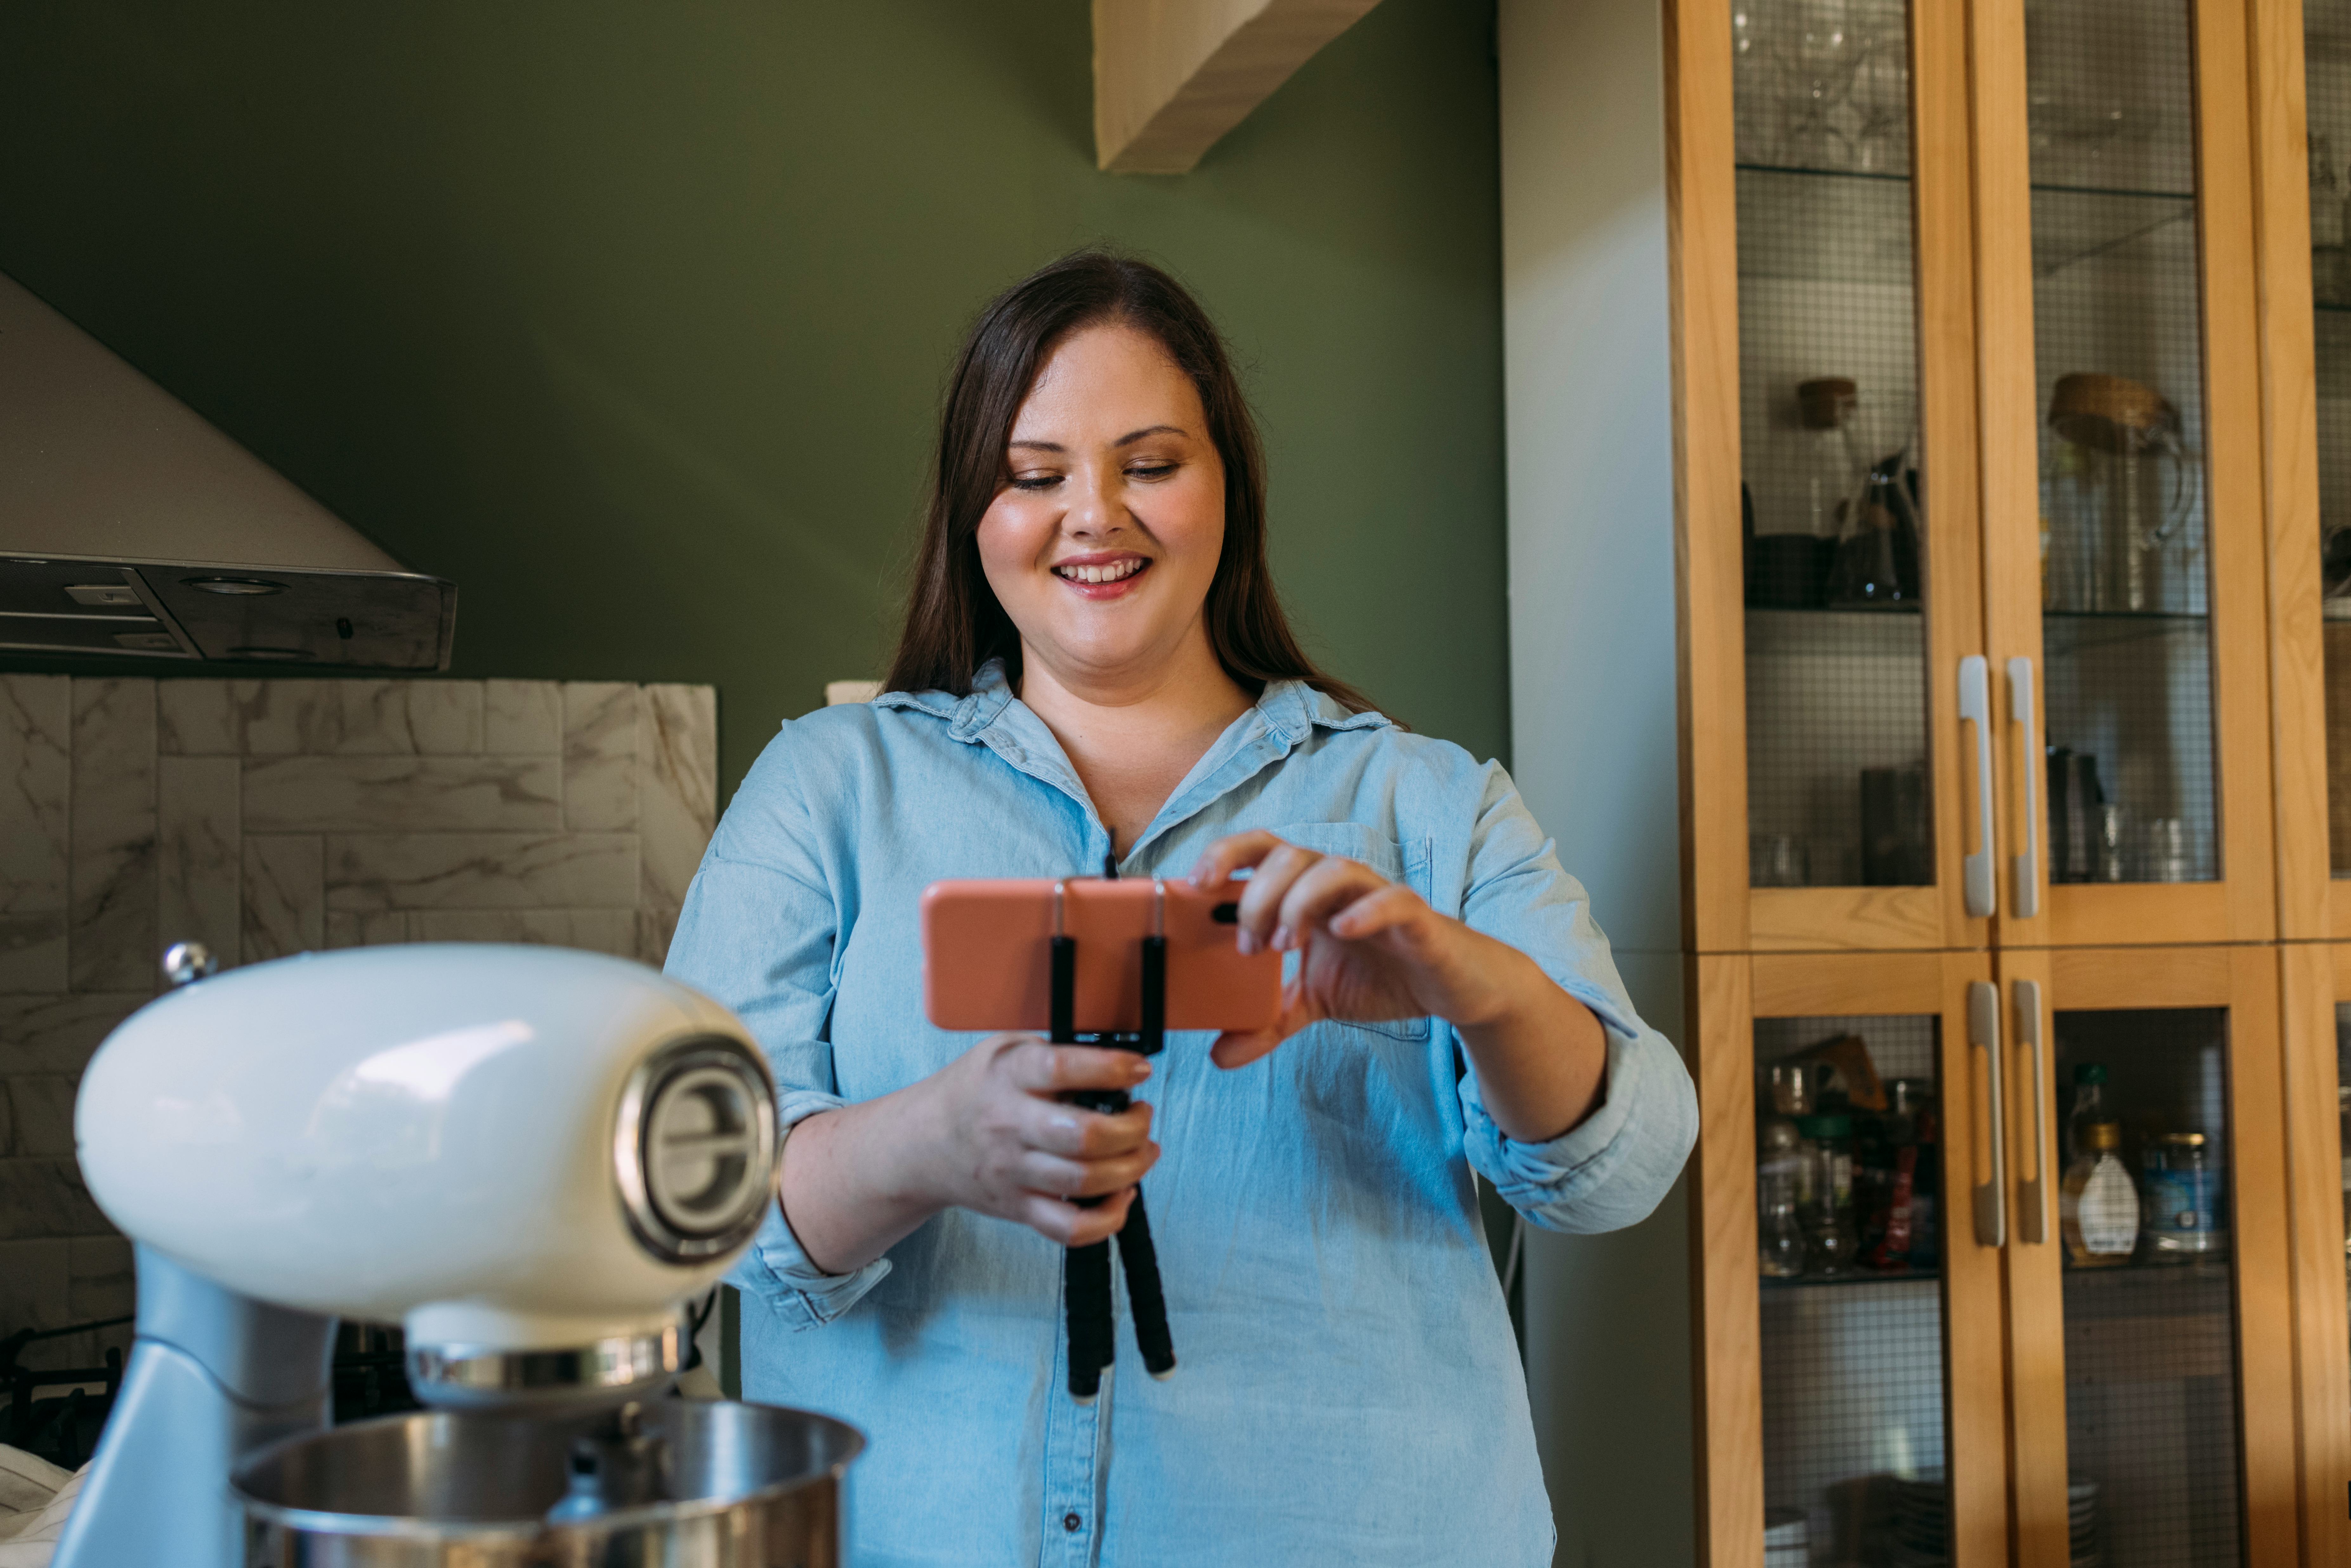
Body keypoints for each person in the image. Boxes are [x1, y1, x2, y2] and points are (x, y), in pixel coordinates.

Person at [664, 251, 1697, 1567]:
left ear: (1228, 488)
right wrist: (934, 1143)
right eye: (1035, 476)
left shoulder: (1427, 805)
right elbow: (694, 1187)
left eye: (1148, 464)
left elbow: (1624, 1170)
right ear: (974, 513)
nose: (1093, 516)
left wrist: (1474, 985)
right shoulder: (825, 788)